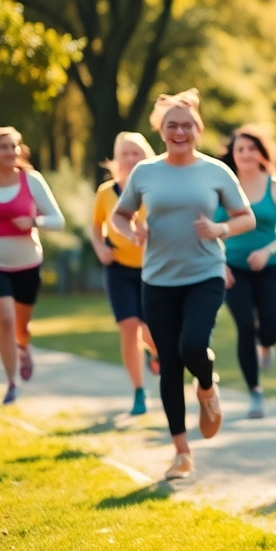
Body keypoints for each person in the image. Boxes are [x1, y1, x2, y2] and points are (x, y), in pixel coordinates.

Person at [111, 89, 255, 481]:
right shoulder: (145, 173)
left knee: (192, 346)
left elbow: (247, 218)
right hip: (157, 281)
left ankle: (207, 387)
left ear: (198, 129)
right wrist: (131, 232)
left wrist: (220, 227)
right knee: (169, 363)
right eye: (171, 125)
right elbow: (118, 216)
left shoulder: (215, 171)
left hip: (205, 274)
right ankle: (181, 452)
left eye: (187, 125)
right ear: (161, 131)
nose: (180, 131)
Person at [0, 127, 66, 405]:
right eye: (6, 147)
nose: (13, 152)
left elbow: (58, 219)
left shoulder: (31, 181)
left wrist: (35, 222)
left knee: (22, 326)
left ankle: (23, 347)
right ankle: (12, 384)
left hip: (27, 263)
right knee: (6, 319)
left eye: (16, 146)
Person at [217, 126, 276, 419]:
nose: (247, 154)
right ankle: (255, 393)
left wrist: (269, 250)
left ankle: (267, 345)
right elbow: (211, 229)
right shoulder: (224, 187)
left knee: (270, 330)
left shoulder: (275, 185)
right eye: (241, 149)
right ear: (233, 155)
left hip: (269, 268)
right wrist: (220, 263)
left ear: (261, 154)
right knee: (244, 327)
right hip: (233, 270)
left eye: (252, 148)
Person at [91, 131, 161, 416]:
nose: (132, 159)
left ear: (147, 157)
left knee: (150, 330)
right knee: (129, 328)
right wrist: (99, 248)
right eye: (126, 154)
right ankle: (138, 391)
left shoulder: (157, 189)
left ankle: (155, 352)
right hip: (119, 268)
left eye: (137, 153)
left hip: (153, 269)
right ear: (117, 160)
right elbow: (96, 227)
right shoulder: (106, 192)